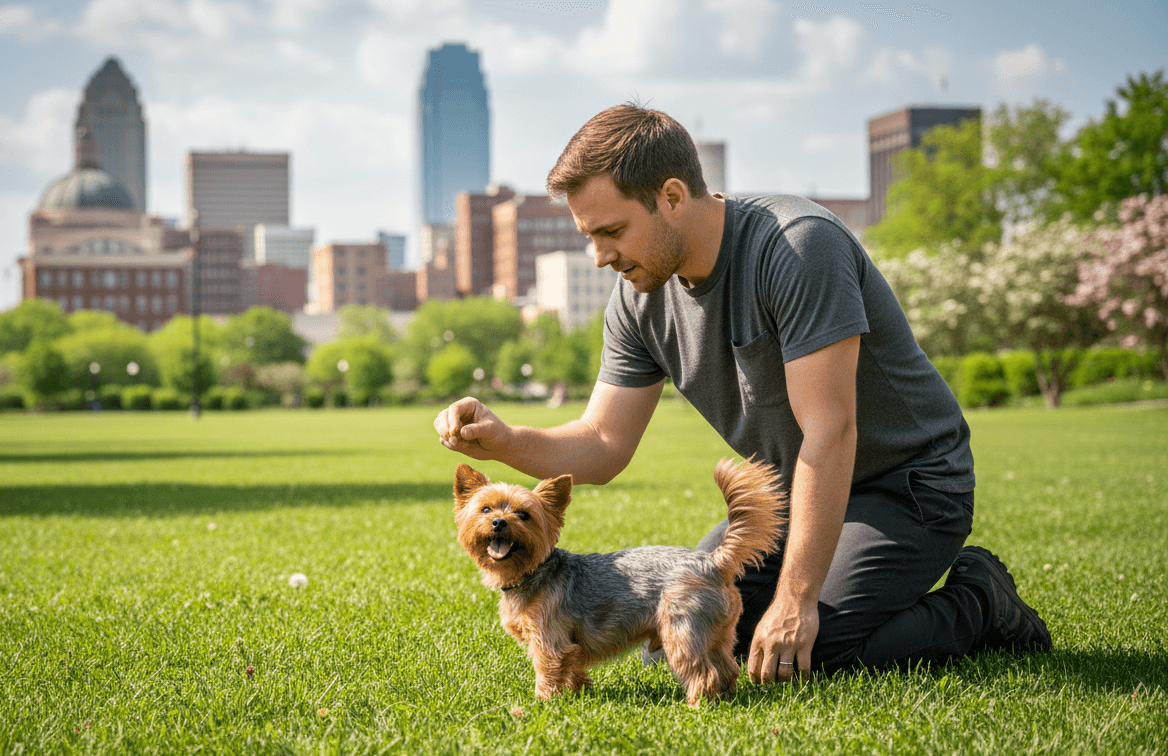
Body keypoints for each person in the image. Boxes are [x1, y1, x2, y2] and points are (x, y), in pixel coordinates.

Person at [434, 103, 1051, 685]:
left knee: (810, 646)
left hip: (908, 484)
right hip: (793, 493)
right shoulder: (637, 295)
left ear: (672, 196)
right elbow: (602, 443)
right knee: (682, 632)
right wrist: (506, 440)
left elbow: (829, 433)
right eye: (589, 237)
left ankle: (980, 599)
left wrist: (798, 598)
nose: (599, 257)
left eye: (612, 231)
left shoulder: (797, 247)